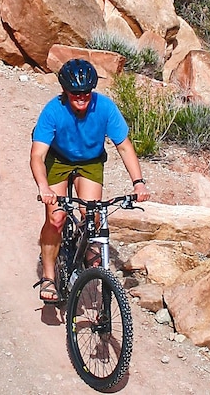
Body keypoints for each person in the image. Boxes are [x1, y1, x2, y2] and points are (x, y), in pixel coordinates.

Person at [29, 58, 150, 303]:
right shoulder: (53, 110)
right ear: (65, 91)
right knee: (56, 218)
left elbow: (124, 147)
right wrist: (43, 186)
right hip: (58, 159)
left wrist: (138, 182)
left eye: (85, 92)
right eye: (75, 93)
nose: (81, 97)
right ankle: (49, 276)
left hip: (90, 161)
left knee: (92, 214)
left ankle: (83, 251)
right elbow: (37, 155)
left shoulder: (105, 108)